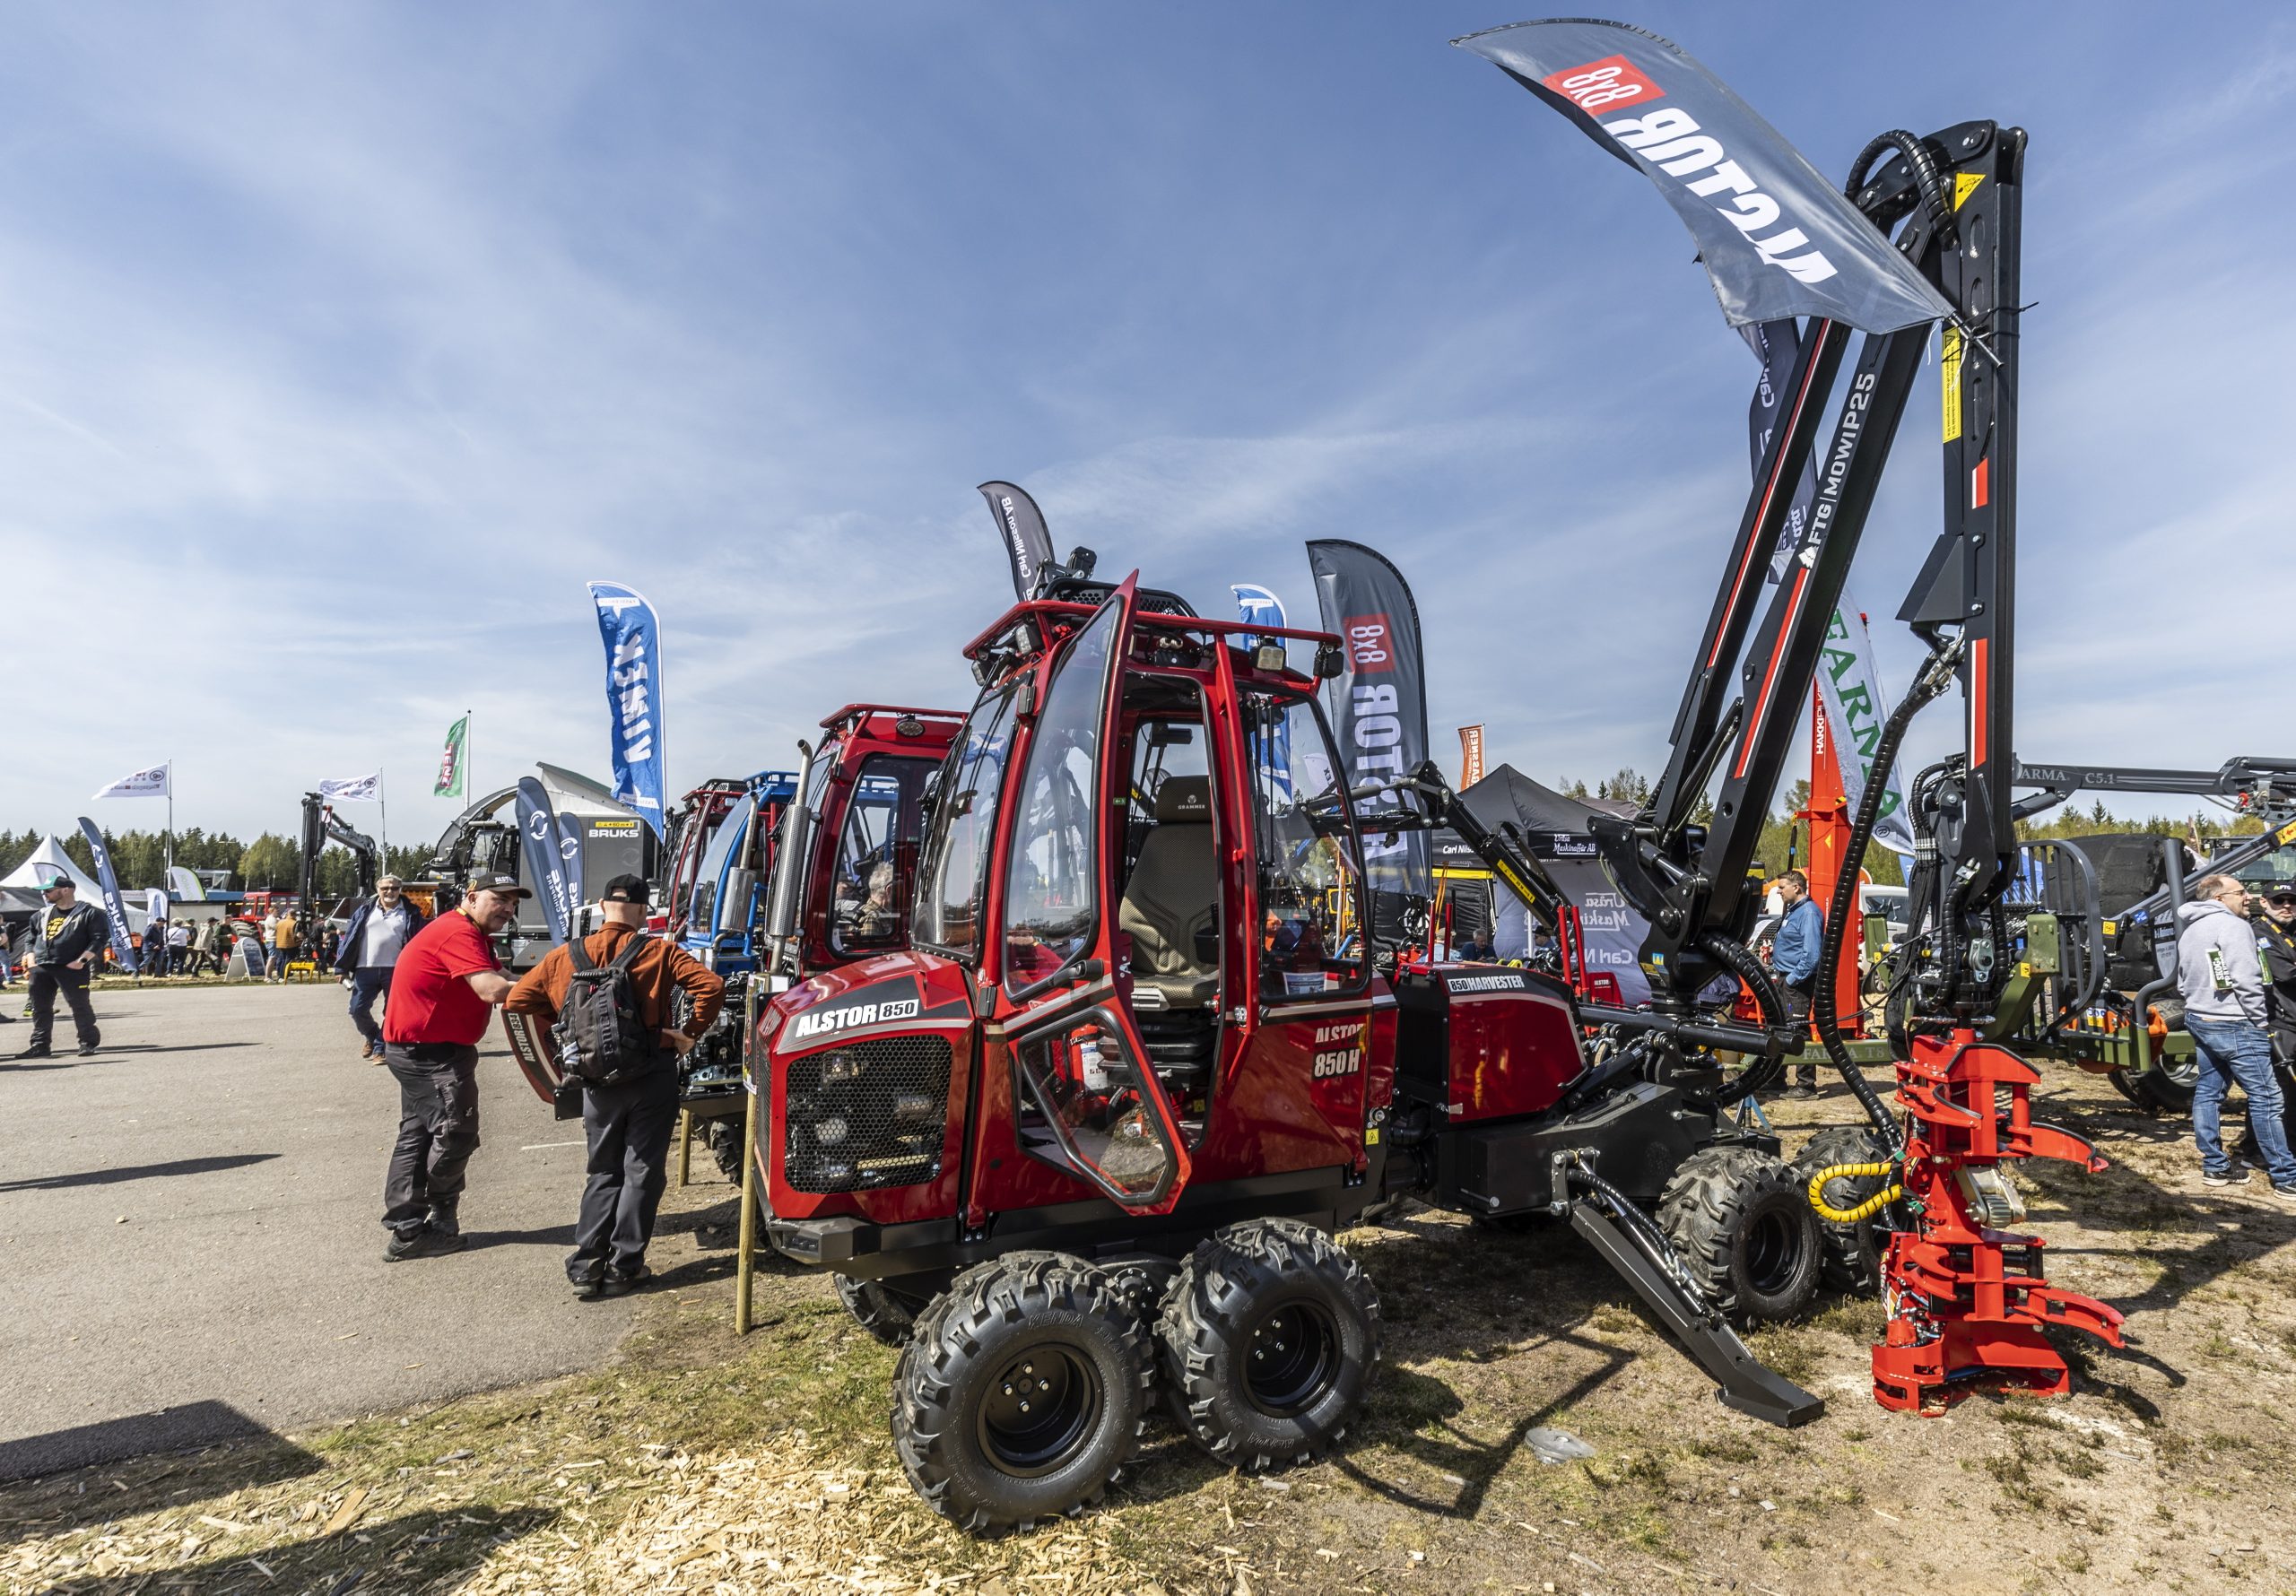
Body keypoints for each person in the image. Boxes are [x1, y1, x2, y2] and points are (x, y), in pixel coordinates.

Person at [504, 875, 724, 1298]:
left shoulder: (563, 956)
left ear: (603, 907)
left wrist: (571, 1025)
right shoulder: (660, 951)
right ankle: (624, 1267)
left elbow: (517, 1001)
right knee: (642, 1170)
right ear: (643, 910)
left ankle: (586, 1266)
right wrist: (688, 1033)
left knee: (603, 1170)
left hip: (595, 1080)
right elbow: (711, 987)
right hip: (651, 1073)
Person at [378, 870, 526, 1261]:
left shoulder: (471, 933)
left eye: (513, 903)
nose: (508, 909)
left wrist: (543, 976)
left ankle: (411, 1228)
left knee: (418, 1134)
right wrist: (550, 989)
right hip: (428, 1053)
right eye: (500, 900)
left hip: (427, 1049)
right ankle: (428, 1219)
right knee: (456, 1132)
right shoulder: (458, 932)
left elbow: (502, 975)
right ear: (472, 897)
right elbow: (491, 989)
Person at [2177, 873, 2296, 1200]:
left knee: (2209, 1092)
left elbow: (2183, 979)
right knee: (2268, 1098)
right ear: (2219, 898)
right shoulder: (2235, 927)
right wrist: (2259, 1021)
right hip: (2237, 1023)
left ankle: (2215, 1166)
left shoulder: (2192, 928)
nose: (2248, 897)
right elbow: (2247, 979)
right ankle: (2286, 1176)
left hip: (2200, 1017)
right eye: (2240, 892)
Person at [337, 876, 429, 1062]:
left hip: (396, 969)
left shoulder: (411, 912)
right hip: (365, 968)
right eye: (385, 888)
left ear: (400, 889)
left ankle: (380, 1048)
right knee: (357, 1009)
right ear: (378, 889)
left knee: (393, 1011)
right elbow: (349, 938)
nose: (390, 891)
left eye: (394, 888)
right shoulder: (364, 910)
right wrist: (341, 968)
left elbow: (420, 941)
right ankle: (373, 1037)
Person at [20, 874, 107, 1058]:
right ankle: (40, 1044)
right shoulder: (41, 915)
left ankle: (87, 1042)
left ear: (66, 890)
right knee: (39, 1007)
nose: (45, 894)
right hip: (41, 967)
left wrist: (82, 961)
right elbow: (30, 939)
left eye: (49, 890)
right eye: (44, 891)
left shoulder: (90, 913)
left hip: (71, 967)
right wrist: (31, 959)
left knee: (79, 1005)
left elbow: (99, 939)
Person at [1763, 869, 1824, 1097]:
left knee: (1797, 1029)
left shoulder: (1808, 913)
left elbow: (1812, 955)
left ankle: (1806, 1085)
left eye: (1782, 887)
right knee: (1780, 1027)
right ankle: (1777, 1079)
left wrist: (1791, 980)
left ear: (1796, 887)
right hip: (1785, 978)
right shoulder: (1794, 911)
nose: (1778, 891)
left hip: (1797, 983)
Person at [268, 906, 301, 981]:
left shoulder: (280, 922)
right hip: (290, 944)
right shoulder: (294, 923)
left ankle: (280, 975)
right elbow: (297, 935)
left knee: (282, 959)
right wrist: (300, 940)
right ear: (294, 915)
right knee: (288, 960)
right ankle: (283, 976)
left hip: (280, 943)